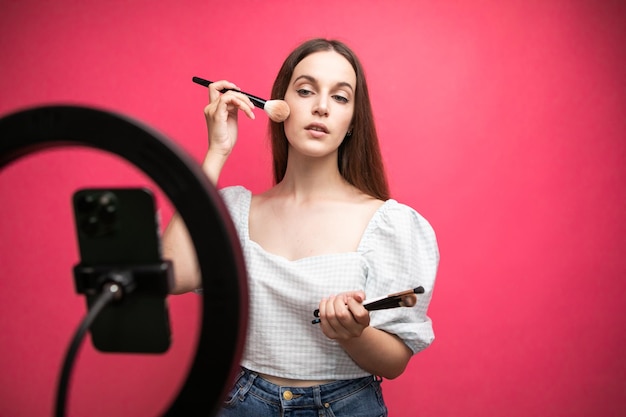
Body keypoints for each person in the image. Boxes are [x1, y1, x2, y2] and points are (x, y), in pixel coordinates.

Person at [162, 38, 439, 417]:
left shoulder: (390, 224)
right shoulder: (235, 210)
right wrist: (217, 151)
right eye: (306, 91)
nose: (321, 107)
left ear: (353, 121)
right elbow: (172, 275)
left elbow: (393, 363)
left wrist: (353, 334)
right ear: (279, 107)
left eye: (340, 97)